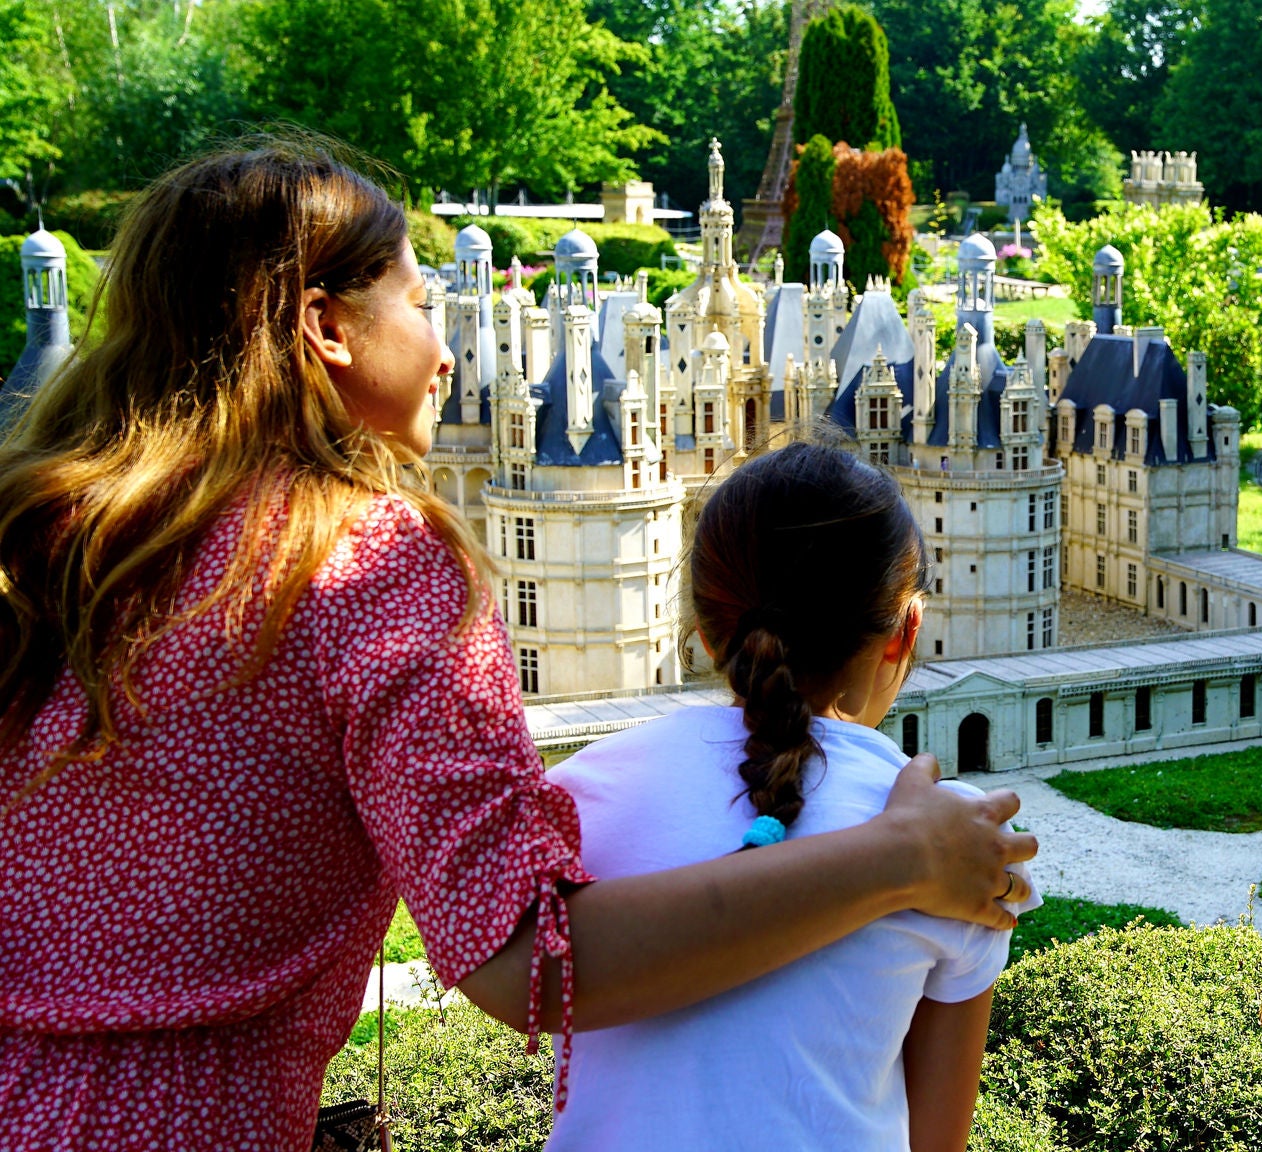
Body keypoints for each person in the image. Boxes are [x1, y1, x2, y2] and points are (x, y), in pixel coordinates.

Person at [0, 137, 1036, 1150]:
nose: (447, 347)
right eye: (418, 302)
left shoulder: (58, 535)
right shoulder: (360, 560)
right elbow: (530, 964)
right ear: (325, 328)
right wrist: (899, 857)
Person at [546, 443, 1039, 1152]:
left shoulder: (582, 793)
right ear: (906, 631)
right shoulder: (964, 838)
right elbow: (937, 1141)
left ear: (707, 630)